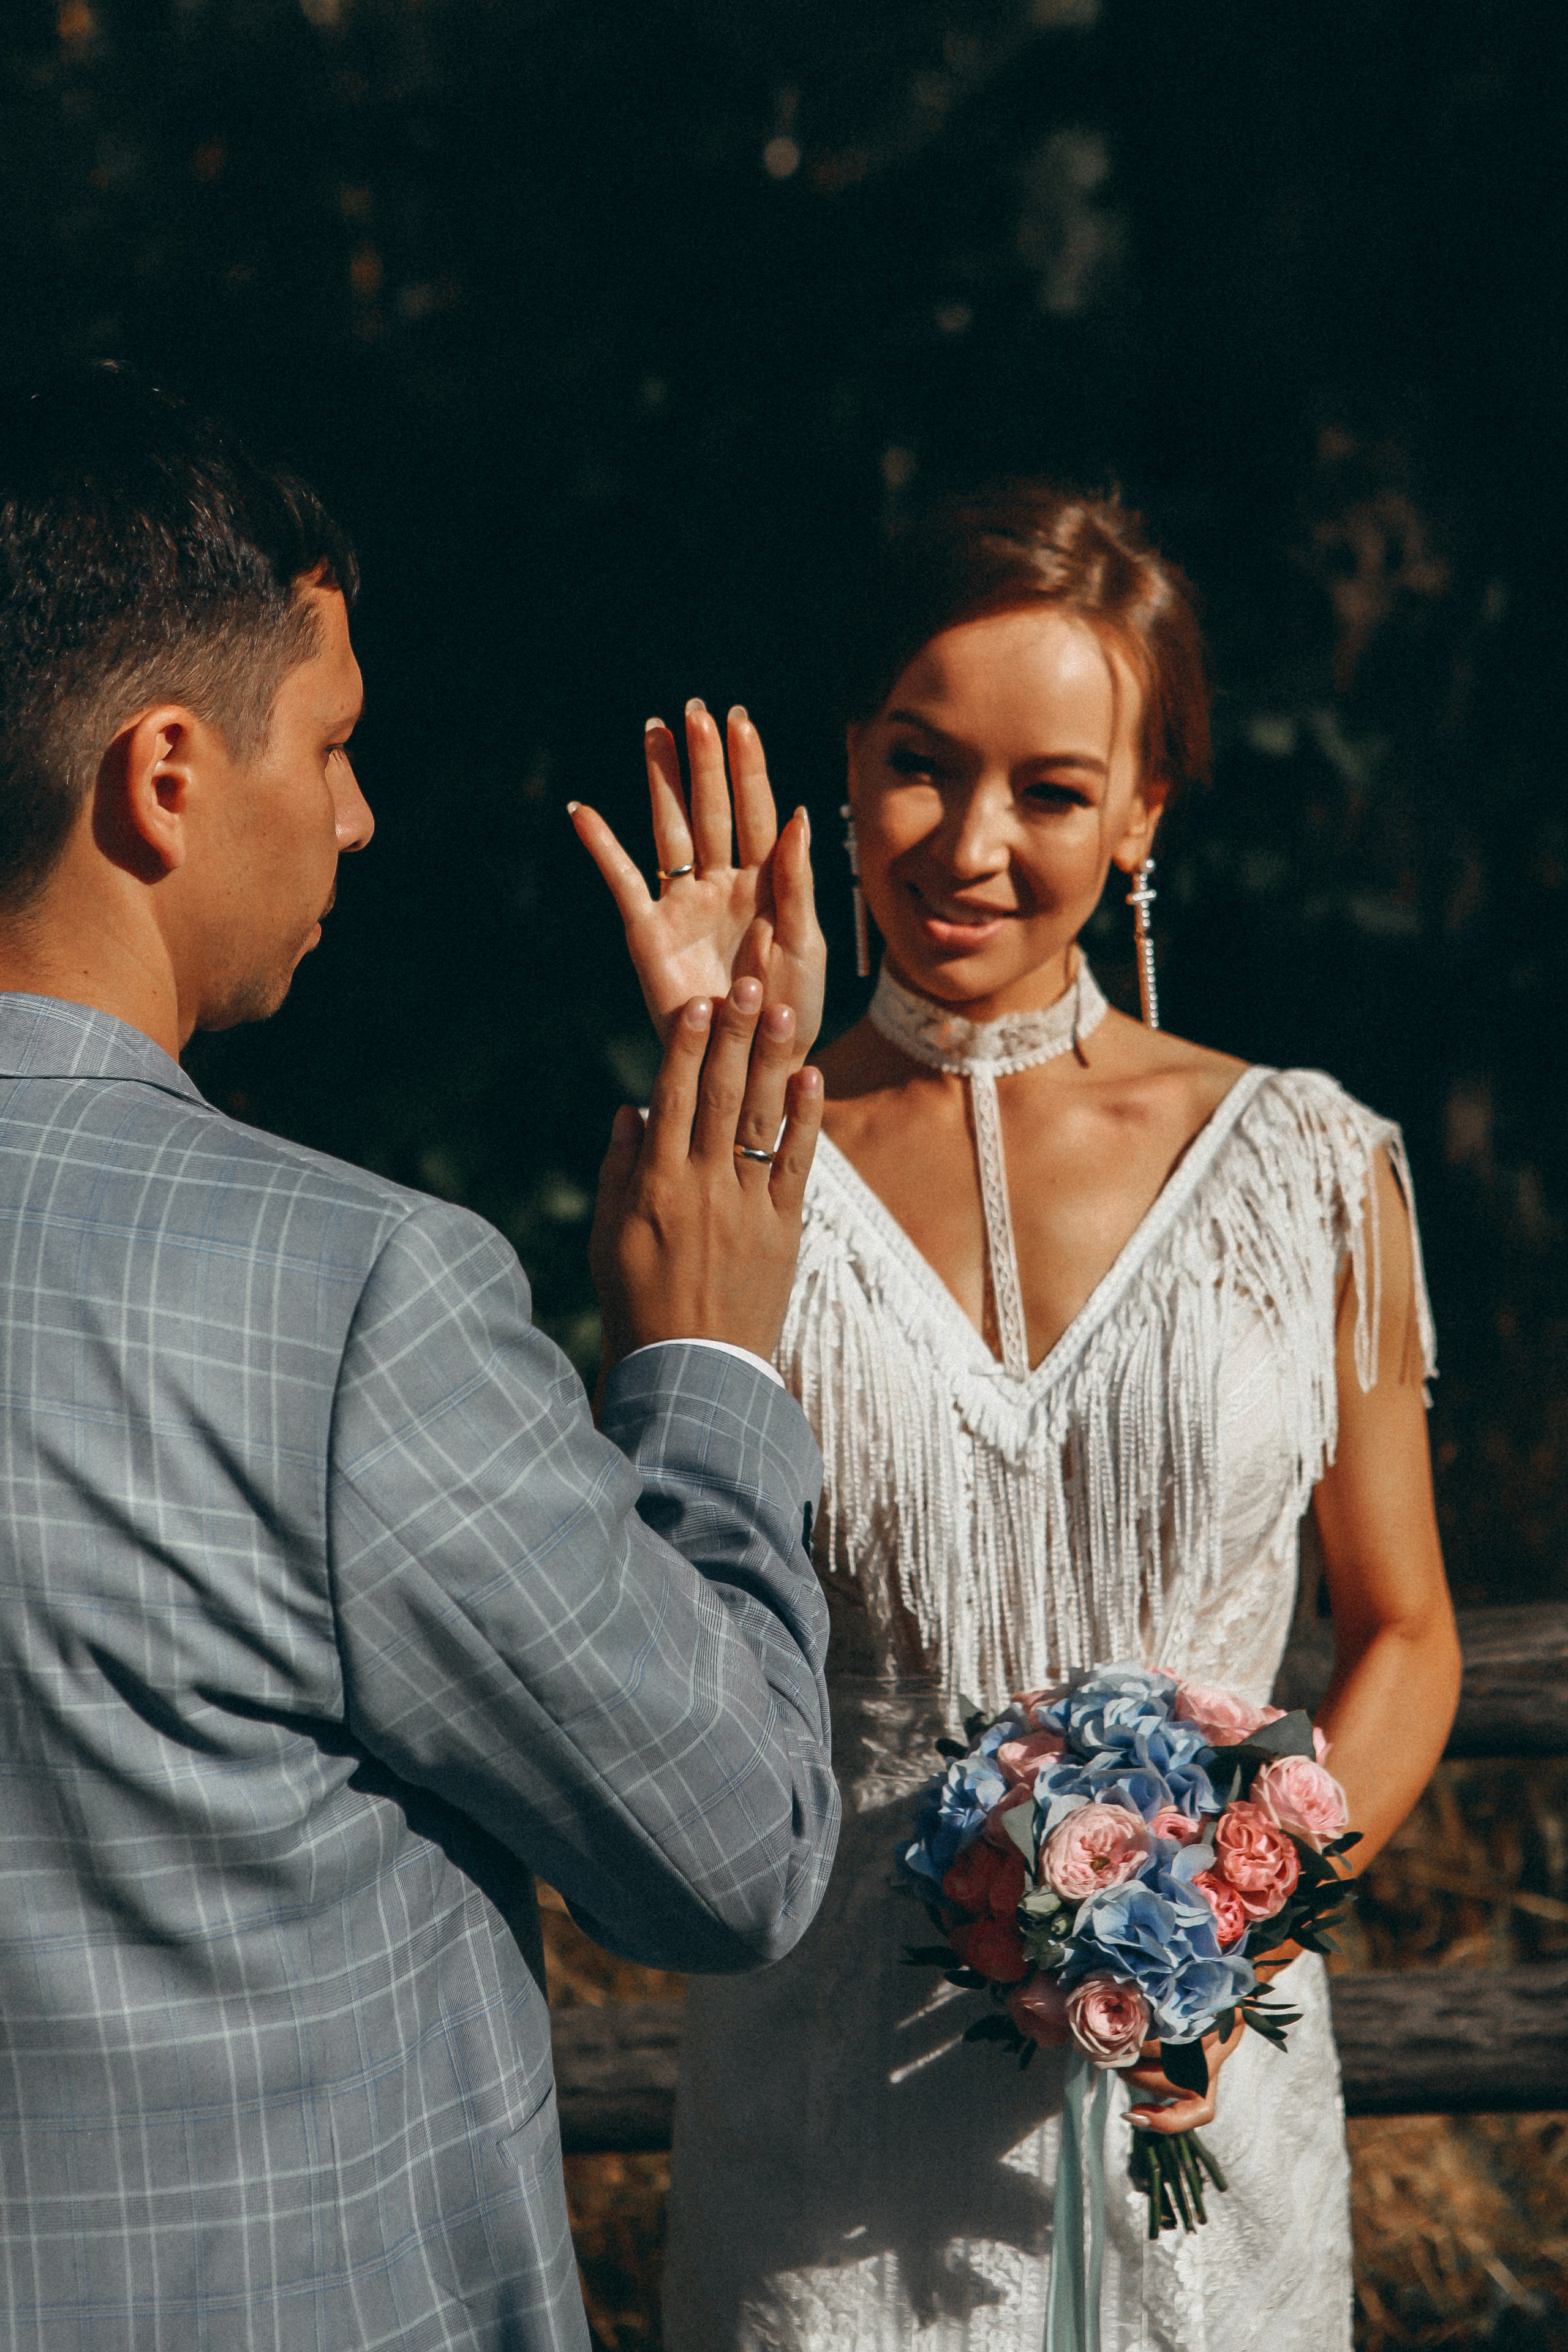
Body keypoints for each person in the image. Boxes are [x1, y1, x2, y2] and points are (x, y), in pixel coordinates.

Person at [0, 363, 840, 2352]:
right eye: (338, 743)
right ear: (168, 775)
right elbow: (731, 1850)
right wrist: (707, 1369)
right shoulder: (343, 1295)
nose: (363, 816)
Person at [576, 485, 1461, 2350]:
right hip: (827, 2168)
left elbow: (1404, 1632)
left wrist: (1234, 1921)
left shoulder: (1311, 1168)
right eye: (919, 767)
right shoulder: (723, 1162)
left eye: (1052, 791)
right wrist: (725, 1090)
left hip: (1199, 2129)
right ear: (848, 762)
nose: (969, 846)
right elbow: (649, 1625)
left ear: (1143, 811)